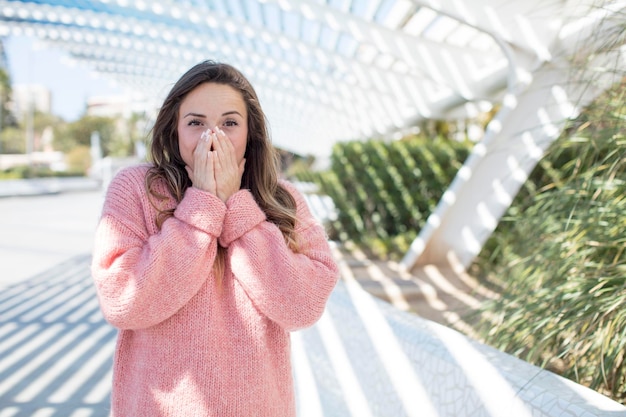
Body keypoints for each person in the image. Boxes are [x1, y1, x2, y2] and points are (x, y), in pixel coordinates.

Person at [91, 60, 339, 416]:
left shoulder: (283, 199)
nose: (213, 138)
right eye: (196, 123)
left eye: (229, 123)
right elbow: (122, 301)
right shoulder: (135, 190)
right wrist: (202, 207)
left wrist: (238, 208)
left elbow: (303, 306)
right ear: (173, 131)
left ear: (250, 134)